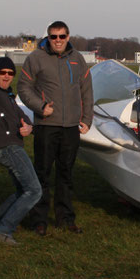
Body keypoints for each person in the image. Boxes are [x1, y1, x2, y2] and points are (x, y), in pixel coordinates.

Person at [17, 21, 93, 235]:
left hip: (71, 127)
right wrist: (40, 106)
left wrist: (87, 118)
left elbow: (86, 89)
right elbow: (23, 86)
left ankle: (66, 217)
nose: (58, 40)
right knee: (42, 173)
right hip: (46, 126)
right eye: (53, 36)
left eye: (62, 36)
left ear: (68, 37)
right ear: (48, 38)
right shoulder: (36, 58)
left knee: (66, 173)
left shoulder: (77, 59)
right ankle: (39, 219)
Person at [0, 57, 42, 246]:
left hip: (12, 146)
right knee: (34, 190)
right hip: (7, 147)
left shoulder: (8, 95)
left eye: (10, 73)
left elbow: (24, 119)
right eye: (2, 72)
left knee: (22, 190)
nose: (6, 76)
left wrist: (29, 128)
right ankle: (3, 231)